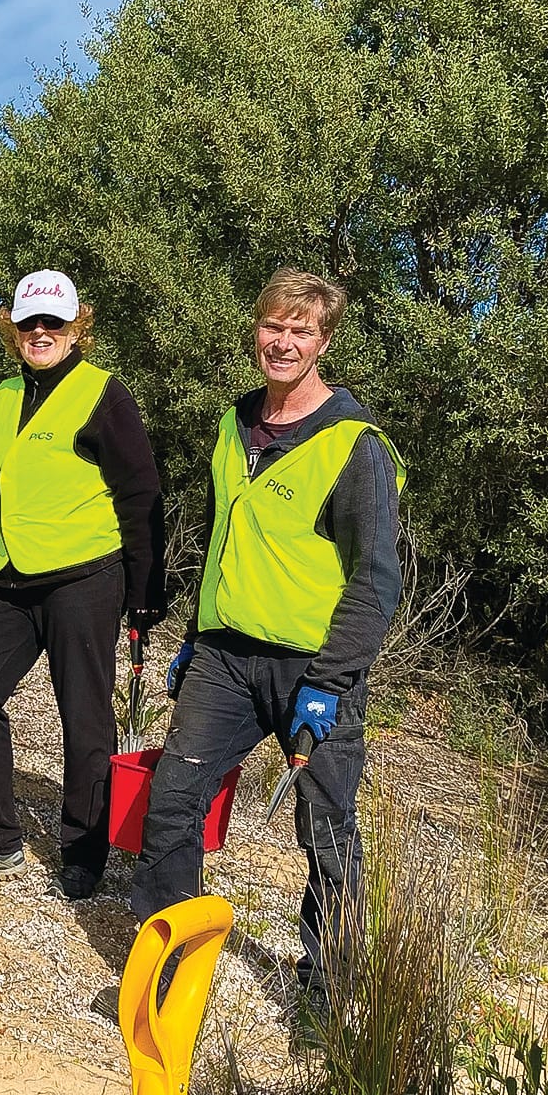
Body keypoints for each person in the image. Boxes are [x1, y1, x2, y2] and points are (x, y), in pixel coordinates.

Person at [131, 267, 404, 993]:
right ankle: (166, 964)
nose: (283, 342)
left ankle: (330, 986)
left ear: (324, 341)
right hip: (223, 658)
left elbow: (376, 580)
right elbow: (226, 541)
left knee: (325, 829)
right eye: (273, 326)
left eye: (301, 330)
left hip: (314, 671)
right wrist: (195, 632)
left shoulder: (354, 445)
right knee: (174, 800)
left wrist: (330, 681)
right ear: (257, 329)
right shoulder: (233, 422)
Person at [0, 270, 165, 892]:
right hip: (6, 576)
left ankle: (84, 850)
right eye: (30, 322)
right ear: (13, 328)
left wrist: (144, 593)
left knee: (84, 715)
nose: (41, 332)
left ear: (75, 326)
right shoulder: (4, 394)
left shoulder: (102, 394)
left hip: (83, 577)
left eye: (53, 323)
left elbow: (141, 495)